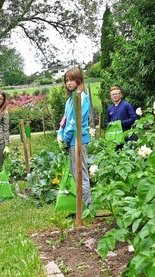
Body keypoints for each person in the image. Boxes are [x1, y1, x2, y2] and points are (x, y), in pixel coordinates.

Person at [57, 68, 92, 207]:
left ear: (78, 80)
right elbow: (65, 120)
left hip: (78, 139)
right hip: (70, 140)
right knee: (74, 171)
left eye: (71, 80)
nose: (69, 83)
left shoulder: (82, 97)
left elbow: (74, 122)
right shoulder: (69, 100)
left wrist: (65, 138)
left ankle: (87, 204)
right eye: (66, 80)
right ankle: (79, 205)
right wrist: (60, 134)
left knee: (81, 172)